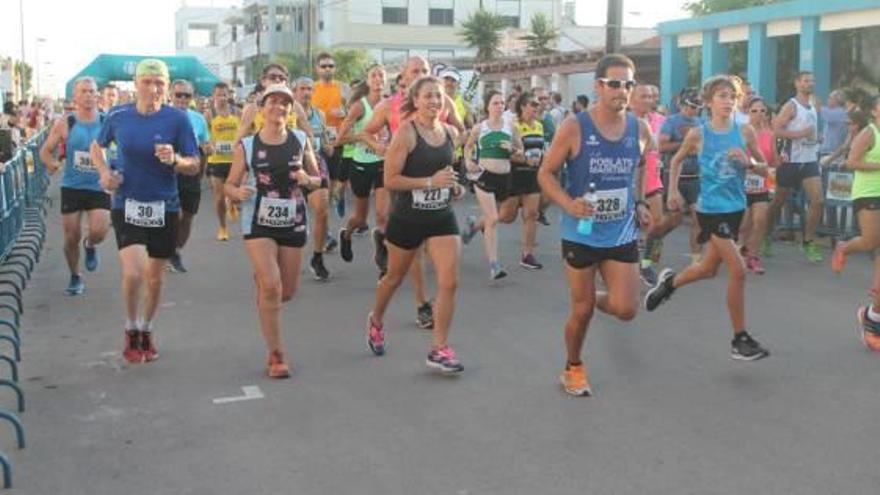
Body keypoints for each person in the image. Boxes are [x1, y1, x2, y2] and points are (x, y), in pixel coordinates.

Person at [538, 53, 653, 396]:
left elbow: (642, 166)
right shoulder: (575, 126)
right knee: (582, 311)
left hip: (620, 230)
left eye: (628, 84)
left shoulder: (640, 127)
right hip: (581, 232)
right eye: (615, 84)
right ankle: (573, 366)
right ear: (599, 86)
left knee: (625, 308)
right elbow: (545, 173)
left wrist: (642, 201)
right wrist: (568, 204)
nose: (623, 91)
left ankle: (598, 296)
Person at [645, 74, 771, 362]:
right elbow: (675, 161)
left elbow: (766, 170)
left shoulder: (746, 132)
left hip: (735, 208)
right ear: (709, 102)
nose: (728, 101)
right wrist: (673, 191)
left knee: (708, 269)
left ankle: (668, 285)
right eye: (722, 96)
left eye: (732, 97)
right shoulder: (699, 133)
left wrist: (749, 162)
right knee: (737, 271)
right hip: (711, 210)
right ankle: (740, 339)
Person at [90, 59, 200, 364]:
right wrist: (103, 173)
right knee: (134, 272)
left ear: (166, 87)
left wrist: (176, 159)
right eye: (147, 82)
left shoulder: (177, 120)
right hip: (127, 203)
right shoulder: (118, 115)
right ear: (136, 84)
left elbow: (195, 164)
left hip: (164, 206)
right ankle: (131, 326)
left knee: (154, 278)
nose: (153, 89)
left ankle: (148, 328)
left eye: (159, 83)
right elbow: (96, 147)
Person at [364, 76, 465, 373]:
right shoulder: (406, 133)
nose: (435, 101)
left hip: (441, 216)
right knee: (393, 278)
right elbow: (390, 180)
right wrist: (430, 182)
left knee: (450, 281)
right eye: (428, 96)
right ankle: (376, 319)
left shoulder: (448, 132)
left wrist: (452, 186)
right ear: (416, 100)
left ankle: (439, 348)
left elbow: (447, 172)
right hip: (407, 218)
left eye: (439, 96)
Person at [225, 84, 323, 378]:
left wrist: (308, 178)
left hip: (293, 220)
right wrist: (236, 191)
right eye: (272, 102)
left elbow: (318, 179)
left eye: (284, 103)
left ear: (290, 110)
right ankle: (276, 354)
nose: (278, 108)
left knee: (287, 292)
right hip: (258, 221)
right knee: (271, 285)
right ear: (261, 108)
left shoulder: (302, 139)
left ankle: (268, 296)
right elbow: (230, 183)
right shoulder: (248, 145)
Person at [39, 77, 111, 295]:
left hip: (99, 185)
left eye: (92, 91)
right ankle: (75, 275)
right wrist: (51, 163)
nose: (89, 95)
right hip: (72, 186)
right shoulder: (65, 123)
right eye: (84, 91)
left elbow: (122, 148)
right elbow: (44, 151)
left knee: (99, 231)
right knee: (71, 236)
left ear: (97, 96)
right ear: (75, 97)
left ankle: (90, 245)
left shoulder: (107, 121)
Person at [831, 95, 880, 351]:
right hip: (868, 194)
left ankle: (872, 319)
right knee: (872, 241)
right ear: (874, 111)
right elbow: (851, 162)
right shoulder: (870, 133)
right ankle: (844, 248)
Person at [640, 87, 703, 284]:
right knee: (674, 218)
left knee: (698, 218)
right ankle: (654, 240)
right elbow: (662, 146)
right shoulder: (672, 121)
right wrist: (686, 145)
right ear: (683, 105)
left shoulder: (702, 123)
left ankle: (696, 261)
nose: (695, 111)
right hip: (673, 175)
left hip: (695, 176)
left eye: (698, 107)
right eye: (692, 107)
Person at [461, 90, 524, 281]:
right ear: (487, 106)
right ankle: (494, 265)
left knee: (491, 218)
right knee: (493, 218)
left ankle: (473, 227)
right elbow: (468, 146)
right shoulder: (480, 128)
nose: (499, 106)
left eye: (502, 103)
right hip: (484, 176)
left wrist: (512, 149)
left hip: (504, 178)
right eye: (495, 103)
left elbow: (521, 153)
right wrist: (468, 161)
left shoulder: (511, 127)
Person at [337, 64, 391, 275]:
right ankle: (346, 234)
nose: (378, 78)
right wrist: (362, 137)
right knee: (360, 218)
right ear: (368, 81)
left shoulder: (390, 105)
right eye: (374, 75)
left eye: (381, 75)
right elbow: (339, 139)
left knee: (382, 215)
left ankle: (382, 256)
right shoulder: (360, 106)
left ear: (385, 81)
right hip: (360, 164)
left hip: (383, 163)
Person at [769, 71, 825, 263]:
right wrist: (801, 133)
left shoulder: (815, 104)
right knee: (778, 201)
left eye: (812, 80)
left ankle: (808, 241)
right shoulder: (791, 105)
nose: (810, 84)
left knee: (818, 201)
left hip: (809, 160)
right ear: (797, 83)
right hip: (790, 161)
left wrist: (817, 138)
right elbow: (776, 129)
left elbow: (813, 129)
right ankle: (765, 236)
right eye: (806, 81)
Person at [293, 76, 335, 281]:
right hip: (290, 165)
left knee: (322, 209)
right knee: (291, 216)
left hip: (316, 162)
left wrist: (328, 146)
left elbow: (325, 138)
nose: (306, 92)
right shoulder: (287, 112)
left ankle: (317, 257)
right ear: (294, 91)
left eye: (309, 89)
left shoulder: (319, 114)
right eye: (302, 89)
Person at [168, 80, 211, 273]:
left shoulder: (198, 119)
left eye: (187, 95)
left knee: (187, 217)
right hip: (166, 174)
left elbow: (206, 145)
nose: (183, 99)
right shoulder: (161, 116)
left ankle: (175, 251)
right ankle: (164, 250)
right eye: (179, 95)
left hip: (190, 174)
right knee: (172, 215)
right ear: (171, 95)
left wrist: (207, 151)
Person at [740, 97, 781, 274]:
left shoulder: (769, 134)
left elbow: (773, 162)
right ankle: (739, 252)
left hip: (762, 184)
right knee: (744, 224)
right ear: (747, 112)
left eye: (762, 111)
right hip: (742, 184)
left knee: (760, 220)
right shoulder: (741, 132)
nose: (759, 114)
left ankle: (753, 256)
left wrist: (780, 161)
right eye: (754, 111)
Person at [630, 83, 666, 285]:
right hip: (628, 181)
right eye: (643, 96)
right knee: (630, 228)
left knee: (658, 225)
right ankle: (621, 264)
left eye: (651, 96)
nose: (649, 100)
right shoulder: (624, 121)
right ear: (631, 98)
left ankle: (647, 264)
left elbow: (668, 142)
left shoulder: (660, 120)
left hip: (652, 178)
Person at [311, 52, 350, 219]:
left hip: (336, 138)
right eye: (324, 66)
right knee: (319, 176)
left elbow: (355, 112)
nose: (327, 69)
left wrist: (345, 112)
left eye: (331, 66)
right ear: (317, 69)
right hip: (317, 138)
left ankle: (336, 195)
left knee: (335, 176)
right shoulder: (311, 88)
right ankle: (323, 207)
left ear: (335, 68)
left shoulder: (343, 88)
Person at [237, 63, 312, 141]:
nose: (277, 80)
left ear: (286, 82)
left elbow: (309, 136)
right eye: (272, 77)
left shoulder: (295, 106)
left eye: (282, 78)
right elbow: (239, 141)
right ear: (263, 81)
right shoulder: (252, 108)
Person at [205, 82, 241, 241]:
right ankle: (222, 227)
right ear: (213, 96)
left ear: (229, 95)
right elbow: (203, 136)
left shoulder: (238, 112)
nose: (222, 98)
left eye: (225, 94)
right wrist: (208, 144)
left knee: (234, 195)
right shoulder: (209, 114)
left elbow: (246, 131)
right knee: (219, 197)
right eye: (219, 94)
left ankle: (232, 204)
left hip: (235, 161)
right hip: (216, 160)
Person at [819, 89, 851, 168]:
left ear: (837, 100)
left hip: (834, 154)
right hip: (826, 152)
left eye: (830, 98)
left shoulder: (839, 112)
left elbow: (818, 108)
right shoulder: (832, 113)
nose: (827, 100)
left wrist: (810, 97)